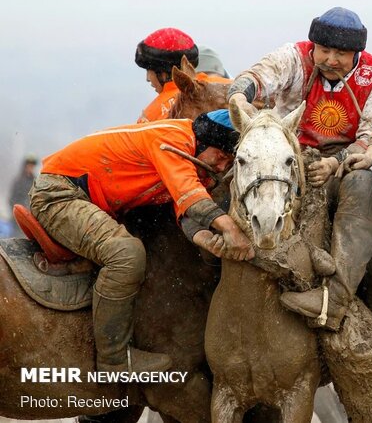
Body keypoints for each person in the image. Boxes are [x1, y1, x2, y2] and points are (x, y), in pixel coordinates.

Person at [29, 110, 254, 375]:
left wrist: (205, 239)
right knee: (127, 254)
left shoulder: (195, 159)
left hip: (85, 199)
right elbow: (190, 195)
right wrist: (231, 231)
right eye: (220, 157)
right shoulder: (173, 140)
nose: (220, 167)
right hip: (60, 193)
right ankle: (113, 360)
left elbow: (183, 210)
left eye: (228, 163)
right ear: (205, 142)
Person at [228, 7, 372, 331]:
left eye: (341, 53)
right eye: (324, 50)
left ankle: (336, 298)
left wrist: (337, 164)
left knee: (363, 184)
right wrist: (239, 98)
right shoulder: (294, 57)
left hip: (342, 159)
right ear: (313, 46)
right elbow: (256, 77)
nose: (331, 59)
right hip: (285, 151)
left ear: (357, 53)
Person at [135, 28, 231, 123]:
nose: (147, 78)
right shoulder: (228, 86)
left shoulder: (151, 116)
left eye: (149, 70)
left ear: (163, 73)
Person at [9, 155, 38, 237]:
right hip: (18, 217)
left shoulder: (36, 181)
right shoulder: (18, 181)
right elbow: (12, 199)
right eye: (29, 165)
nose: (31, 168)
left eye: (32, 166)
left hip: (31, 218)